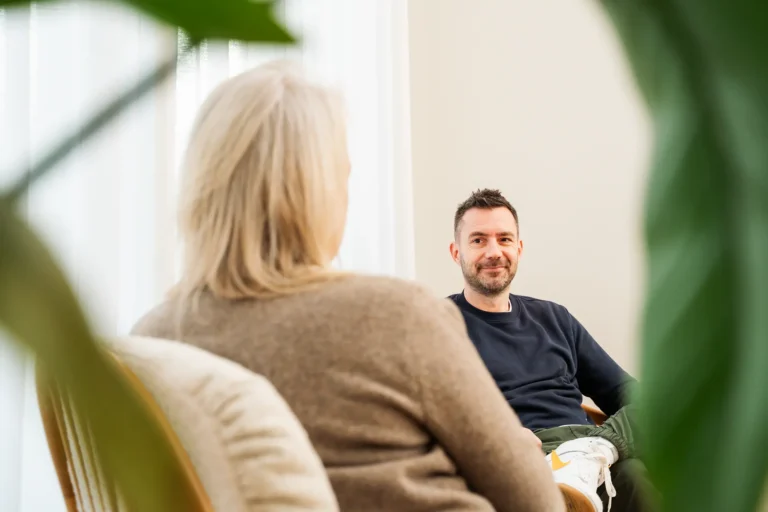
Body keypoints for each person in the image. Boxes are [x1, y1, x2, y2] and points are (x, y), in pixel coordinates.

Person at [131, 63, 565, 511]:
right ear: (317, 194)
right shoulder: (397, 315)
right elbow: (535, 501)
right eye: (343, 176)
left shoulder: (152, 340)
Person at [448, 188, 651, 512]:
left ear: (519, 248)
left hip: (588, 452)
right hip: (515, 458)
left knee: (641, 467)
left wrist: (602, 443)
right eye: (478, 240)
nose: (493, 251)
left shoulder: (554, 318)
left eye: (504, 239)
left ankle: (588, 456)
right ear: (456, 252)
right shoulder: (439, 325)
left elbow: (627, 395)